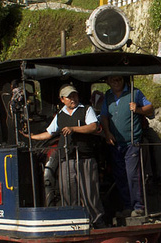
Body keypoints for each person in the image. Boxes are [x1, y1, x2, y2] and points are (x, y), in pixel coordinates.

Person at [26, 84, 105, 228]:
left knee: (90, 193)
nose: (72, 99)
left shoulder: (86, 110)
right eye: (69, 97)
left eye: (74, 96)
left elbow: (93, 126)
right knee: (68, 191)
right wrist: (32, 137)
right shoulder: (60, 115)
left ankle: (96, 222)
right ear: (62, 99)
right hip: (66, 158)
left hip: (85, 157)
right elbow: (49, 133)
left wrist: (73, 129)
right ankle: (73, 222)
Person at [99, 75, 154, 217]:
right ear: (108, 82)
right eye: (113, 80)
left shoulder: (135, 93)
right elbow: (104, 116)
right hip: (115, 143)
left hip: (132, 142)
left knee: (132, 175)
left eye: (119, 79)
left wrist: (138, 110)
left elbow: (150, 108)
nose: (116, 82)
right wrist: (107, 133)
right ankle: (127, 206)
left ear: (123, 80)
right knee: (120, 175)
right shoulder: (108, 96)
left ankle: (138, 206)